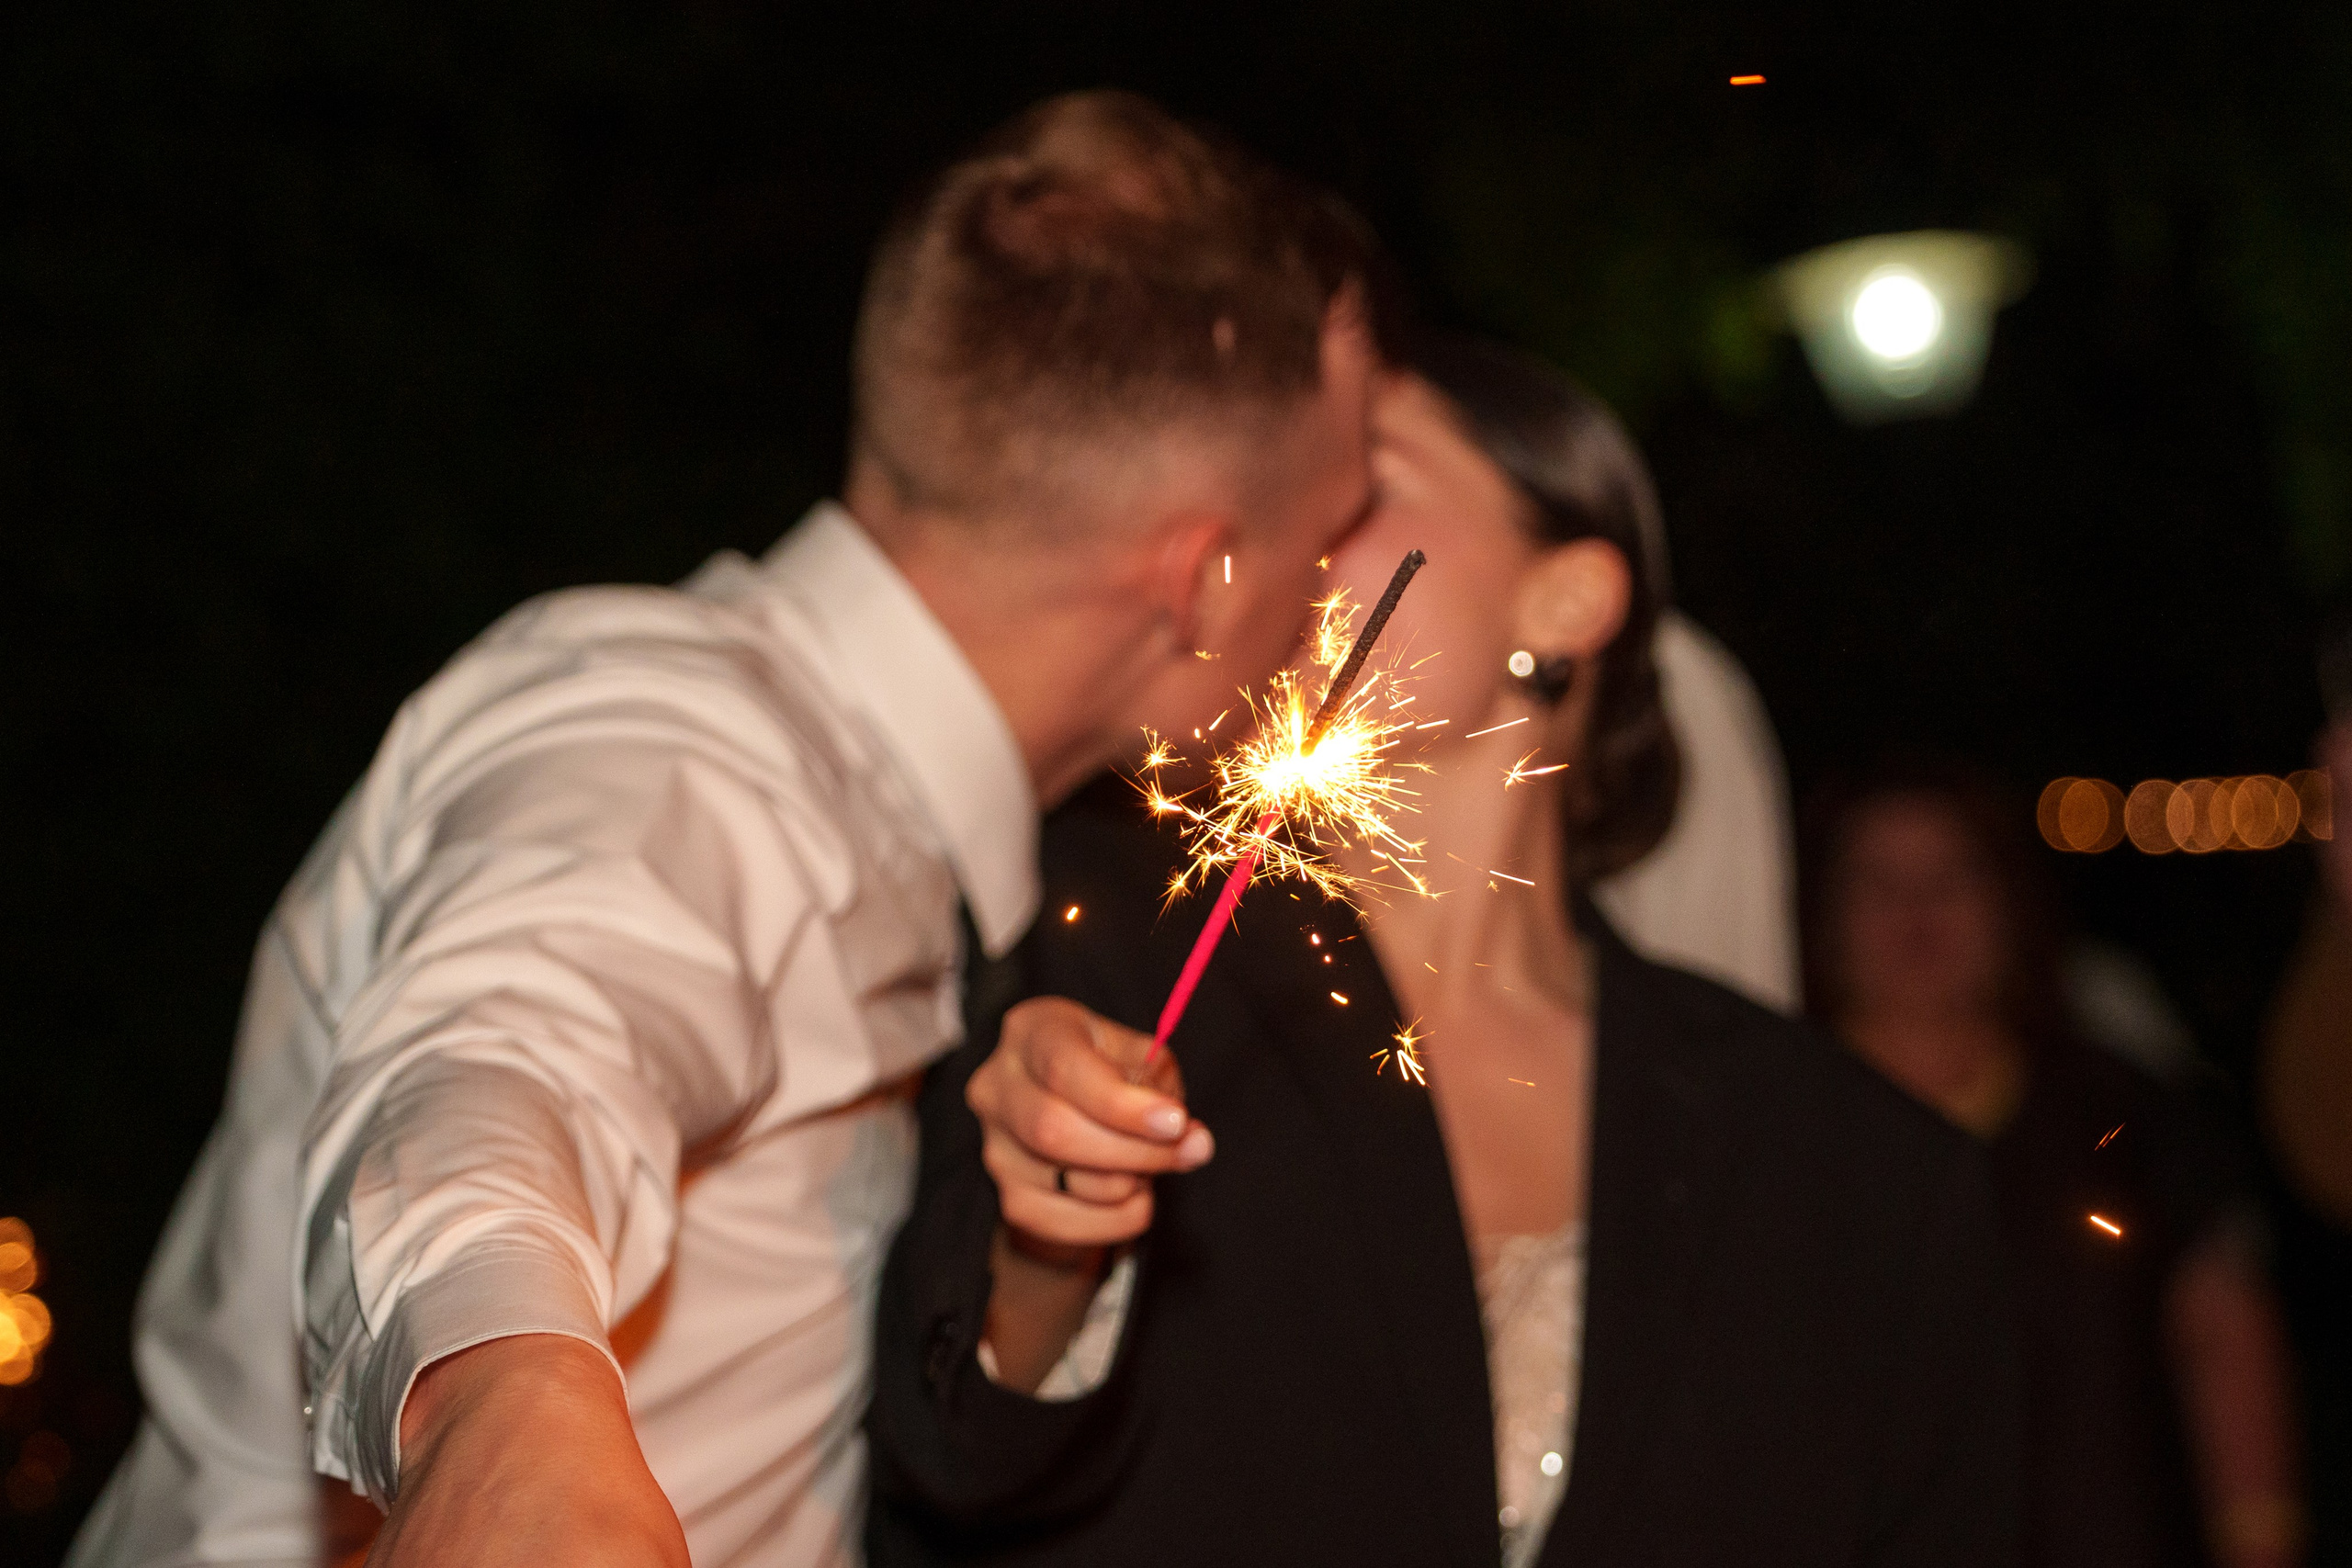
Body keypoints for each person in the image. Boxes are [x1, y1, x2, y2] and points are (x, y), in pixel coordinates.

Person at [68, 91, 1378, 1568]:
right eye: (1331, 542)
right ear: (1205, 575)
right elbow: (512, 1036)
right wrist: (503, 1410)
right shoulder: (673, 736)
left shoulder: (901, 831)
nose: (1331, 612)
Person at [866, 337, 2022, 1567]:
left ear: (1567, 596)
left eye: (1360, 484)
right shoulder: (1098, 982)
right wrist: (1049, 1247)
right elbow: (948, 1467)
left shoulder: (1857, 1169)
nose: (1275, 532)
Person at [1806, 765, 2305, 1568]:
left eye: (1951, 877)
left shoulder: (2113, 1112)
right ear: (1825, 919)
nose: (1916, 911)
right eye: (1879, 882)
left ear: (2009, 902)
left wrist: (2260, 1538)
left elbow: (2221, 1327)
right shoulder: (1776, 1132)